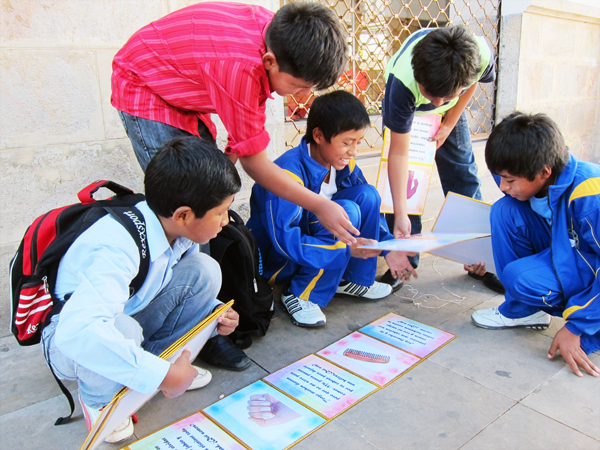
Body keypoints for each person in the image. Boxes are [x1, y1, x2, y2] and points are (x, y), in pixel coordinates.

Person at [112, 2, 352, 367]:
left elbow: (243, 143)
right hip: (146, 88)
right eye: (298, 86)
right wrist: (318, 204)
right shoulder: (239, 68)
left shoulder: (277, 34)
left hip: (181, 91)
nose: (300, 97)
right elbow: (257, 163)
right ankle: (192, 333)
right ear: (270, 62)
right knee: (194, 210)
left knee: (209, 203)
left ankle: (204, 315)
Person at [41, 138, 243, 443]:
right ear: (184, 215)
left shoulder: (177, 228)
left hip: (127, 311)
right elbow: (79, 331)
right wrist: (163, 376)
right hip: (67, 339)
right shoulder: (116, 245)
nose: (227, 221)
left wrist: (217, 314)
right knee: (121, 328)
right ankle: (99, 400)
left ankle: (157, 366)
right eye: (222, 212)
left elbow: (170, 283)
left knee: (204, 272)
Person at [247, 91, 415, 327]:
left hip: (322, 246)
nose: (353, 151)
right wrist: (344, 250)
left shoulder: (344, 165)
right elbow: (285, 241)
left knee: (368, 195)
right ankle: (300, 293)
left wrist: (388, 247)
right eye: (346, 143)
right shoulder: (286, 174)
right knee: (347, 210)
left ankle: (351, 279)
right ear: (318, 135)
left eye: (358, 142)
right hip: (279, 259)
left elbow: (370, 209)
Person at [471, 112, 600, 378]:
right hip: (566, 250)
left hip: (589, 266)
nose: (503, 186)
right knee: (504, 211)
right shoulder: (527, 170)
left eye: (510, 180)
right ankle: (525, 311)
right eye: (500, 177)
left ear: (544, 172)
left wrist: (576, 327)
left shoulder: (591, 196)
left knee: (520, 278)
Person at [381, 25, 502, 293]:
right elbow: (399, 154)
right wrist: (401, 213)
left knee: (463, 176)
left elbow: (475, 81)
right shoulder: (401, 84)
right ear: (418, 76)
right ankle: (405, 260)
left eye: (445, 95)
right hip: (409, 112)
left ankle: (477, 259)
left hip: (453, 115)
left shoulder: (478, 54)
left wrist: (451, 119)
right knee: (403, 189)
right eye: (430, 93)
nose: (436, 102)